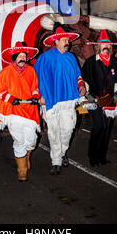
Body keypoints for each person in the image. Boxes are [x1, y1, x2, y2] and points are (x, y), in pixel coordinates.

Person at [34, 26, 86, 175]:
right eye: (63, 40)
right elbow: (35, 79)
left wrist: (81, 84)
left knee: (68, 129)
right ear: (55, 41)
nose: (67, 42)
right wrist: (39, 96)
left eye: (67, 40)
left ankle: (62, 152)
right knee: (53, 132)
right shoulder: (45, 58)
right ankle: (56, 160)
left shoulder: (71, 57)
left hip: (68, 99)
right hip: (50, 100)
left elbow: (77, 75)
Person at [0, 41, 40, 182]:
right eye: (19, 56)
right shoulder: (6, 72)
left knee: (32, 141)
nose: (22, 58)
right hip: (12, 112)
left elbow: (35, 88)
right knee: (19, 141)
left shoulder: (31, 71)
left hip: (29, 111)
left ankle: (26, 157)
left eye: (24, 56)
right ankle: (22, 171)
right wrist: (11, 98)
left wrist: (35, 97)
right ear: (14, 58)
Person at [81, 30, 117, 167]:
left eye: (108, 44)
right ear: (98, 47)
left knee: (106, 127)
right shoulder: (91, 62)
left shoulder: (115, 62)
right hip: (94, 99)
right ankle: (92, 155)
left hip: (110, 99)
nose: (106, 46)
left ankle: (102, 156)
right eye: (103, 44)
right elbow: (84, 80)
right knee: (98, 126)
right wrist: (88, 96)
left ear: (111, 46)